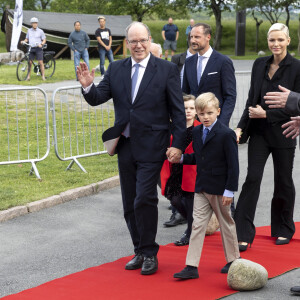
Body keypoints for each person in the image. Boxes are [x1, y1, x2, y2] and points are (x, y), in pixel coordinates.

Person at [77, 21, 186, 275]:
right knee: (129, 202)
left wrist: (178, 145)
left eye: (142, 40)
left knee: (144, 198)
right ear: (127, 44)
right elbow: (97, 98)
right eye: (133, 41)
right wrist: (87, 86)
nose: (138, 45)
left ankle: (150, 253)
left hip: (153, 145)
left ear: (149, 40)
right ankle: (139, 249)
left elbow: (178, 113)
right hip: (125, 145)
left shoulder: (167, 70)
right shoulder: (116, 69)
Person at [234, 23, 300, 252]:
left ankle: (283, 229)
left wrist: (268, 113)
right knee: (252, 178)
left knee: (283, 181)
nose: (276, 44)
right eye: (272, 40)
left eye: (280, 40)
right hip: (259, 133)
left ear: (288, 41)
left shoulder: (297, 67)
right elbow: (252, 99)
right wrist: (240, 128)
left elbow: (297, 107)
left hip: (285, 131)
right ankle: (242, 232)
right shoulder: (259, 63)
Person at [171, 92, 240, 279]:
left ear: (217, 111)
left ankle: (233, 260)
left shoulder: (226, 134)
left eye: (209, 113)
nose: (206, 117)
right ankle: (191, 266)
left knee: (226, 223)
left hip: (220, 188)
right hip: (201, 187)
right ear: (197, 115)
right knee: (197, 225)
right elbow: (200, 158)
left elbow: (233, 165)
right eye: (201, 114)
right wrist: (182, 158)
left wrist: (229, 190)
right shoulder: (196, 131)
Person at [161, 94, 200, 244]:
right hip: (175, 170)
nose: (188, 111)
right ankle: (194, 223)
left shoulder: (200, 127)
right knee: (175, 199)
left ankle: (190, 233)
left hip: (192, 171)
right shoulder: (174, 128)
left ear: (196, 110)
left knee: (190, 204)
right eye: (185, 108)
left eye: (192, 108)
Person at [182, 23, 236, 127]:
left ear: (208, 37)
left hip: (216, 123)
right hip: (193, 125)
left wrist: (221, 124)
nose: (193, 40)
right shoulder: (188, 62)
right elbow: (185, 93)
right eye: (191, 37)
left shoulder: (223, 61)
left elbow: (230, 96)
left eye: (197, 37)